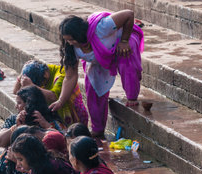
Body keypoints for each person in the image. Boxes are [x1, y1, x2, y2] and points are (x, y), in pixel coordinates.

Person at [58, 11, 144, 139]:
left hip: (122, 41)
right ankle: (98, 129)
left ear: (80, 34)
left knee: (125, 57)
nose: (69, 42)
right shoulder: (71, 48)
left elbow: (129, 14)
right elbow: (70, 77)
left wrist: (124, 40)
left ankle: (132, 96)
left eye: (71, 39)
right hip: (99, 59)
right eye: (66, 40)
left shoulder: (102, 27)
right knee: (92, 87)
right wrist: (60, 101)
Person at [14, 60, 88, 126]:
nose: (43, 86)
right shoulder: (40, 72)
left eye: (43, 84)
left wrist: (32, 86)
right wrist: (22, 74)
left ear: (46, 74)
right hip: (54, 117)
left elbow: (54, 97)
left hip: (74, 115)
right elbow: (16, 91)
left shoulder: (61, 75)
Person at [0, 86, 65, 148]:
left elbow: (66, 142)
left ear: (29, 104)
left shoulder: (51, 118)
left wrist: (46, 125)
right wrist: (16, 127)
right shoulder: (14, 119)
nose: (16, 106)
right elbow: (0, 142)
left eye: (19, 103)